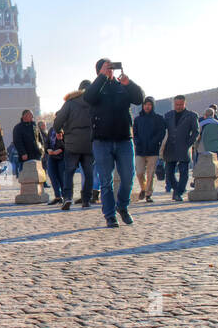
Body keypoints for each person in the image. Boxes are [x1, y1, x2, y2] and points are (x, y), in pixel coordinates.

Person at [83, 58, 144, 227]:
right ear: (99, 71)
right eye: (106, 68)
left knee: (128, 177)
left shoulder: (121, 86)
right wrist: (102, 77)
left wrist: (128, 83)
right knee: (105, 181)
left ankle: (122, 206)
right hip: (102, 141)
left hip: (124, 139)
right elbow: (88, 98)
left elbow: (139, 98)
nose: (110, 70)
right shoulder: (94, 88)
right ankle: (110, 215)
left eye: (111, 68)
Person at [52, 79, 95, 210]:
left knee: (69, 171)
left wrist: (59, 131)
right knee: (88, 172)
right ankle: (86, 199)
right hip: (89, 141)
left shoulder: (70, 102)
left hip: (72, 142)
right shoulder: (95, 103)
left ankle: (68, 197)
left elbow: (58, 120)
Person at [162, 95, 199, 201]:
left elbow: (196, 132)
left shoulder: (191, 115)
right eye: (176, 104)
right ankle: (177, 190)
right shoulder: (168, 115)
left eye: (180, 104)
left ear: (184, 104)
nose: (178, 107)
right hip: (170, 147)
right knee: (169, 173)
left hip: (184, 147)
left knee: (184, 172)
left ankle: (179, 192)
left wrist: (188, 144)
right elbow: (162, 129)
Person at [132, 96, 166, 203]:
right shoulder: (138, 119)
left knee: (150, 173)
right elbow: (135, 133)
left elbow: (161, 132)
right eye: (145, 104)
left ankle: (148, 194)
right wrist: (137, 142)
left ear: (153, 106)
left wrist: (155, 142)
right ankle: (143, 188)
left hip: (153, 150)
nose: (147, 106)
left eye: (149, 104)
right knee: (139, 172)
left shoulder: (158, 118)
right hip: (140, 150)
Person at [11, 110, 44, 182]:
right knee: (24, 174)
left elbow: (40, 139)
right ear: (24, 116)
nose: (32, 117)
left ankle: (42, 185)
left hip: (36, 153)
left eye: (32, 115)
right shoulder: (18, 127)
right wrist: (22, 153)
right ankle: (25, 187)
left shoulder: (34, 126)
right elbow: (17, 142)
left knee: (39, 172)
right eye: (30, 115)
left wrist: (42, 150)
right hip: (25, 155)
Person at [45, 128, 65, 204]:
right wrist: (47, 149)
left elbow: (69, 143)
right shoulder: (51, 130)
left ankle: (65, 196)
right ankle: (58, 196)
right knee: (52, 176)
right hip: (52, 156)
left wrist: (61, 149)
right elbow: (47, 142)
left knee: (62, 177)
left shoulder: (66, 128)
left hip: (62, 157)